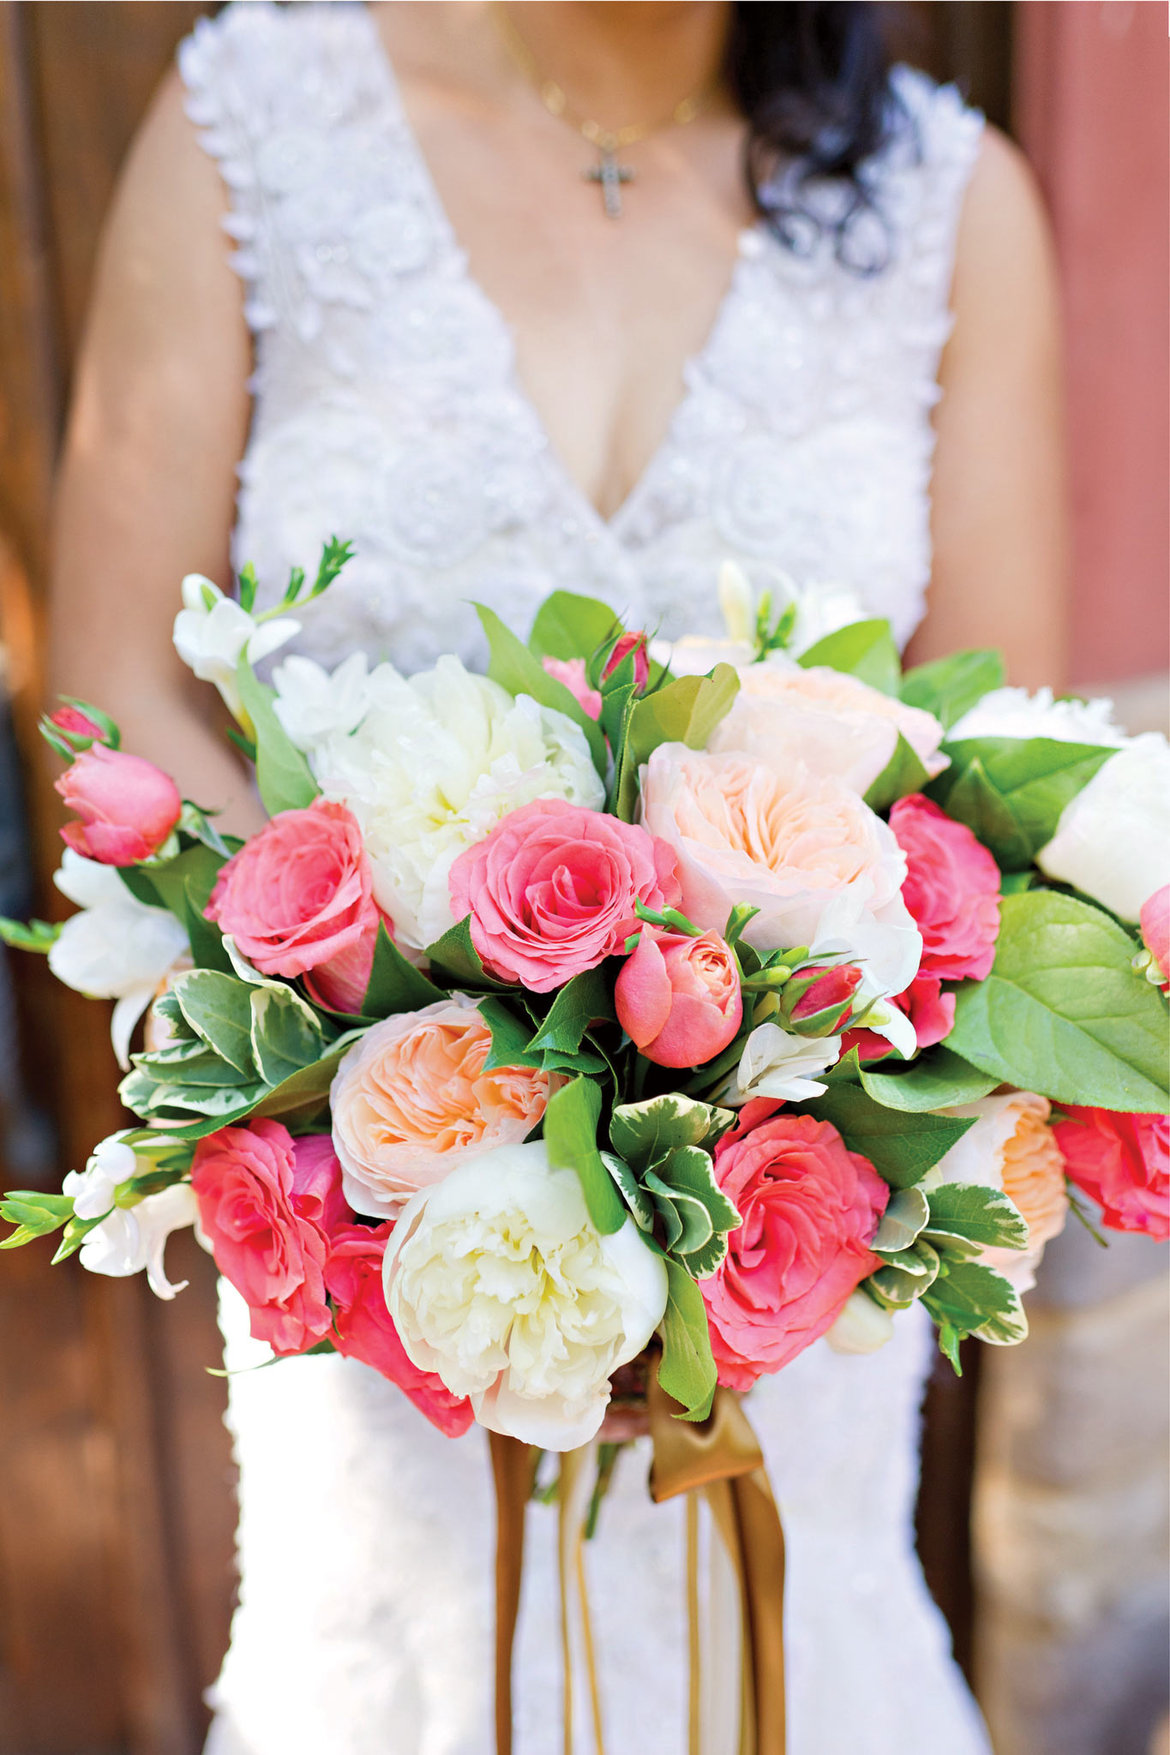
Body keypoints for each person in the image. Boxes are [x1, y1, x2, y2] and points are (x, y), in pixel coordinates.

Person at [48, 4, 1066, 1750]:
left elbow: (983, 797)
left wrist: (743, 1162)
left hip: (780, 1287)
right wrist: (383, 1089)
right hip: (372, 1254)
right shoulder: (257, 116)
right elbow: (115, 695)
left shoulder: (947, 202)